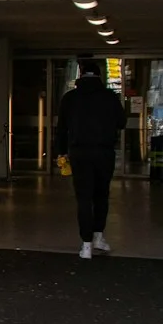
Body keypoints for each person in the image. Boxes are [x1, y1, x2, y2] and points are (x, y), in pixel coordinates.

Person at [53, 58, 127, 259]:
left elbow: (61, 129)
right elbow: (121, 122)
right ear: (99, 76)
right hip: (104, 152)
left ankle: (85, 245)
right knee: (101, 195)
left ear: (81, 75)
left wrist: (61, 151)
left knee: (83, 197)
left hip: (79, 152)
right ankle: (98, 237)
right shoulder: (110, 97)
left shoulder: (70, 98)